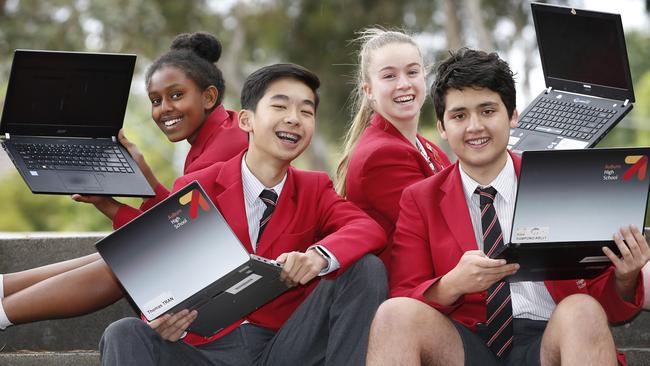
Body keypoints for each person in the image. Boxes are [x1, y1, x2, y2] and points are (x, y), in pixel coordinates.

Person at [366, 48, 647, 366]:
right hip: (464, 343)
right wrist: (453, 284)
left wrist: (626, 277)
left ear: (513, 115)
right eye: (459, 116)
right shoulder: (420, 198)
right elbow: (405, 292)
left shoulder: (558, 183)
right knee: (394, 315)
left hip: (549, 338)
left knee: (582, 309)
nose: (474, 127)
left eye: (487, 111)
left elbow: (602, 304)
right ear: (442, 127)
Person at [99, 63, 388, 366]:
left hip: (285, 348)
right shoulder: (197, 188)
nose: (294, 119)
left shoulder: (314, 188)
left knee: (366, 268)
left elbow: (368, 228)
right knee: (125, 332)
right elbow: (162, 273)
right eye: (280, 106)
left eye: (306, 112)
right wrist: (162, 322)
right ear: (246, 120)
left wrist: (316, 256)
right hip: (205, 352)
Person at [0, 32, 247, 329]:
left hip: (233, 287)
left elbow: (171, 236)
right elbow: (184, 218)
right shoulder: (219, 132)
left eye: (176, 95)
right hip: (207, 258)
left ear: (208, 96)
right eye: (156, 100)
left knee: (130, 260)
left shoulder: (225, 146)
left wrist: (110, 206)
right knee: (117, 253)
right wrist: (142, 172)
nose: (164, 109)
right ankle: (3, 287)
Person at [336, 28, 450, 268]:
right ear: (369, 91)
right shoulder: (380, 155)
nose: (404, 84)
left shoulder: (427, 147)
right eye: (389, 76)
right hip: (407, 290)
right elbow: (440, 228)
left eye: (412, 72)